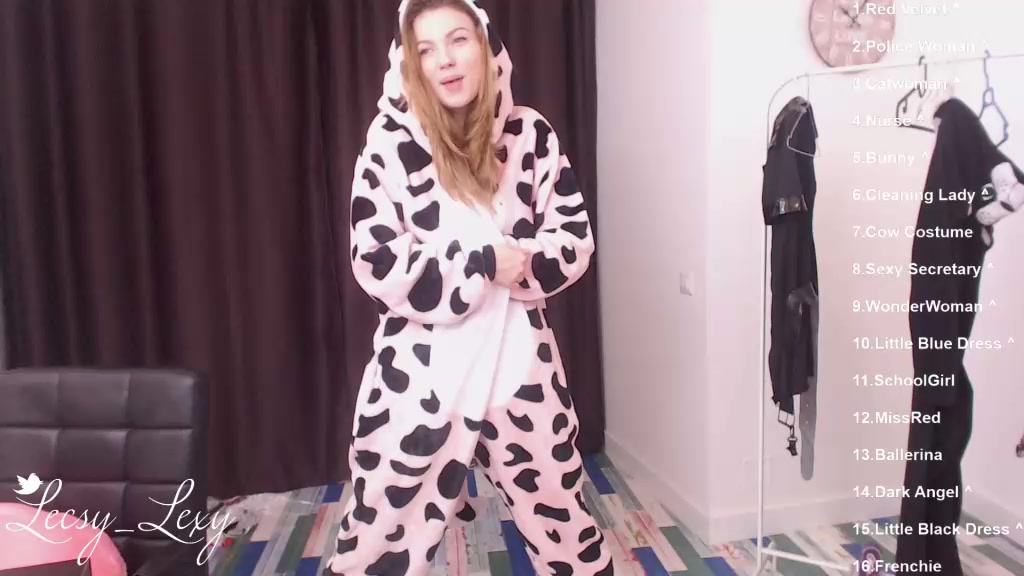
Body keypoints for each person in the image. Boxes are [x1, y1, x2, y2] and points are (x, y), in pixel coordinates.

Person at [324, 0, 613, 575]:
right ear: (411, 64)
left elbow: (573, 239)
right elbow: (376, 260)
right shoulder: (388, 143)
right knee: (379, 530)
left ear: (485, 46)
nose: (446, 61)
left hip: (518, 366)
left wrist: (519, 264)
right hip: (420, 375)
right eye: (426, 50)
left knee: (562, 516)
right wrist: (479, 263)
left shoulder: (529, 135)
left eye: (457, 40)